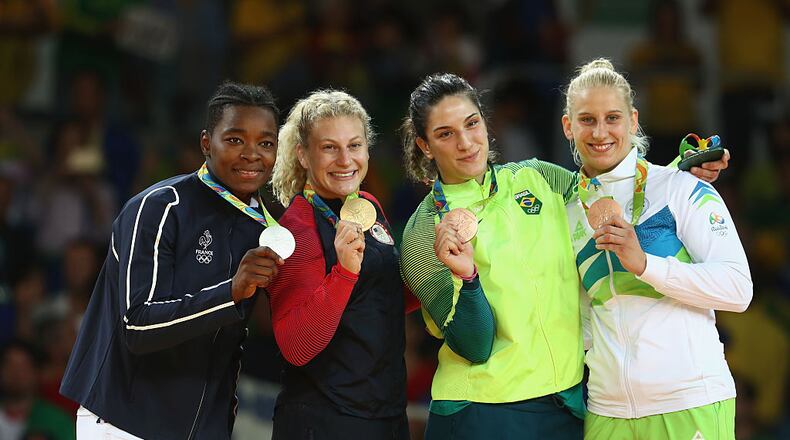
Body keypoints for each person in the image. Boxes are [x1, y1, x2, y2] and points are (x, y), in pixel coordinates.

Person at [398, 73, 729, 439]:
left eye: (472, 124)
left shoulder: (538, 178)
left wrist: (679, 176)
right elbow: (475, 346)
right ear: (425, 146)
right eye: (445, 134)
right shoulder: (423, 232)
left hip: (564, 408)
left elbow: (610, 190)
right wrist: (467, 277)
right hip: (482, 415)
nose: (465, 142)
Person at [60, 81, 285, 439]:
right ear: (205, 143)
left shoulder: (265, 228)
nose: (251, 154)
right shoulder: (159, 207)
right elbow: (137, 325)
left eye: (266, 143)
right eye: (235, 139)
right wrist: (231, 293)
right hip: (123, 422)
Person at [561, 58, 752, 440]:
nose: (600, 132)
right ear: (568, 126)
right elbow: (582, 315)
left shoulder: (681, 188)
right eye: (587, 120)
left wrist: (646, 264)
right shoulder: (565, 212)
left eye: (612, 118)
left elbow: (737, 288)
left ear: (633, 121)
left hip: (689, 401)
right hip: (607, 411)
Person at [267, 89, 418, 439]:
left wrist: (437, 276)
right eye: (329, 147)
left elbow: (379, 299)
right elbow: (297, 346)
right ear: (303, 155)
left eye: (354, 145)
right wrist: (345, 273)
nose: (345, 160)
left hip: (385, 416)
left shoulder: (367, 206)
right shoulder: (297, 228)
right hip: (326, 420)